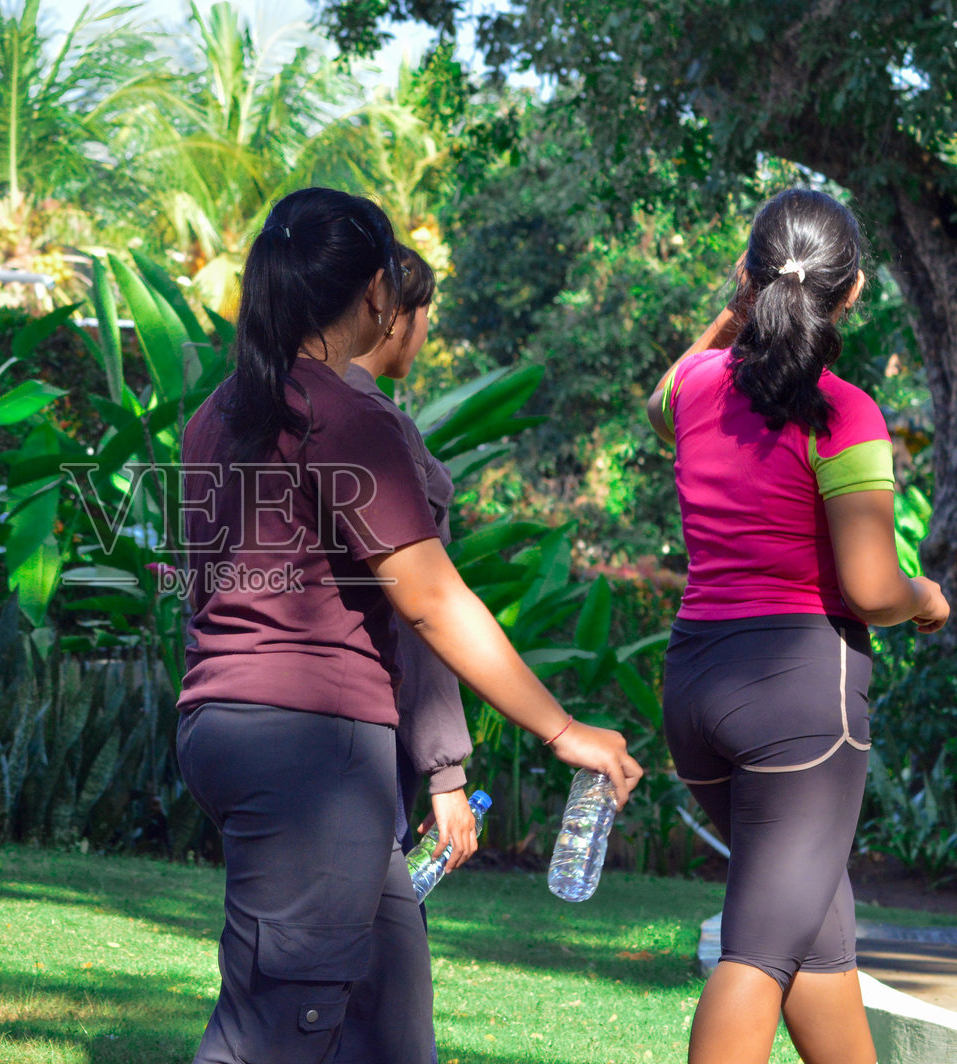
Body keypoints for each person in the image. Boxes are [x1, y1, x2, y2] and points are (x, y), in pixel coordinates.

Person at [175, 186, 642, 1064]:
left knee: (389, 1023)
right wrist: (563, 728)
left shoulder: (222, 412)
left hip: (228, 726)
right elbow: (431, 600)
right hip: (310, 751)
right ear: (374, 297)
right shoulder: (347, 417)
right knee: (274, 1029)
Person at [646, 187, 951, 1064]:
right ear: (850, 295)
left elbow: (658, 400)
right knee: (761, 953)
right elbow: (868, 589)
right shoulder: (844, 411)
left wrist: (741, 302)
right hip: (799, 705)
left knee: (818, 937)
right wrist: (925, 597)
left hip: (697, 687)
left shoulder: (697, 387)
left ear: (746, 278)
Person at [344, 245, 476, 884]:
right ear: (390, 313)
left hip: (231, 723)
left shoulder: (235, 412)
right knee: (385, 964)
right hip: (355, 734)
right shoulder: (373, 424)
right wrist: (445, 771)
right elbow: (421, 606)